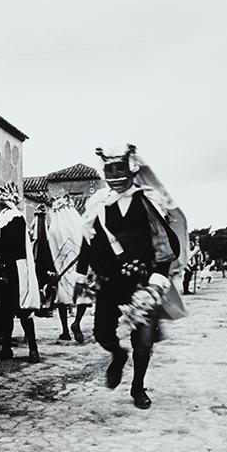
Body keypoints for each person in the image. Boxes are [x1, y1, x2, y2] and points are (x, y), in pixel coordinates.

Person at [77, 145, 187, 409]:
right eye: (109, 168)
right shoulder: (98, 204)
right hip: (108, 282)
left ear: (131, 168)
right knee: (102, 333)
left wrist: (156, 282)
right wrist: (81, 278)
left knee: (143, 341)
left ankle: (138, 387)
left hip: (142, 282)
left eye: (119, 167)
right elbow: (88, 244)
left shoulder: (147, 200)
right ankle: (117, 356)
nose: (114, 173)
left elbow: (166, 244)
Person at [0, 183, 41, 363]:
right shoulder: (2, 219)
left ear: (0, 203)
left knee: (23, 311)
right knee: (4, 312)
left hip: (14, 271)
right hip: (2, 271)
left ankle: (33, 349)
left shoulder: (15, 218)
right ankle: (6, 349)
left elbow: (9, 244)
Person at [48, 192, 87, 343]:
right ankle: (77, 322)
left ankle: (65, 330)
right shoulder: (78, 224)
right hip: (79, 267)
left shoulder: (54, 228)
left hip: (62, 268)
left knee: (62, 299)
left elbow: (51, 249)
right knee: (83, 295)